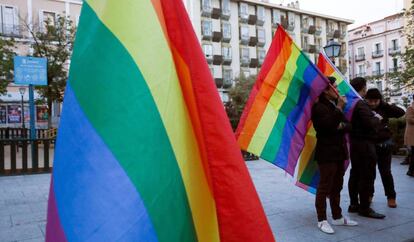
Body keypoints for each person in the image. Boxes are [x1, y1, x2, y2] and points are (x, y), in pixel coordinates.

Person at [312, 76, 358, 234]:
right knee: (324, 186)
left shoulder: (332, 107)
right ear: (326, 90)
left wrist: (338, 123)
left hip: (339, 151)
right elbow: (326, 127)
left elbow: (348, 126)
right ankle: (321, 219)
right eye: (335, 87)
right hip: (326, 153)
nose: (338, 90)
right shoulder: (319, 107)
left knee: (337, 186)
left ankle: (337, 216)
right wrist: (338, 110)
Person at [347, 77, 385, 219]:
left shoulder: (350, 102)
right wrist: (377, 118)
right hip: (365, 145)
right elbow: (369, 123)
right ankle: (364, 207)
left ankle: (353, 204)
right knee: (366, 176)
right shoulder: (360, 104)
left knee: (355, 174)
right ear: (363, 88)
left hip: (355, 144)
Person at [365, 88, 405, 208]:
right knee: (369, 172)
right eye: (370, 101)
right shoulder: (364, 108)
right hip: (370, 144)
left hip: (385, 144)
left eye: (375, 101)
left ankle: (391, 197)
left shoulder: (384, 108)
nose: (372, 103)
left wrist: (385, 104)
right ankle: (369, 195)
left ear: (379, 100)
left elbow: (400, 112)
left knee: (386, 172)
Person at [405, 95, 414, 177]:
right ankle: (411, 171)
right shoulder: (410, 107)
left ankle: (411, 171)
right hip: (412, 134)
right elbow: (409, 119)